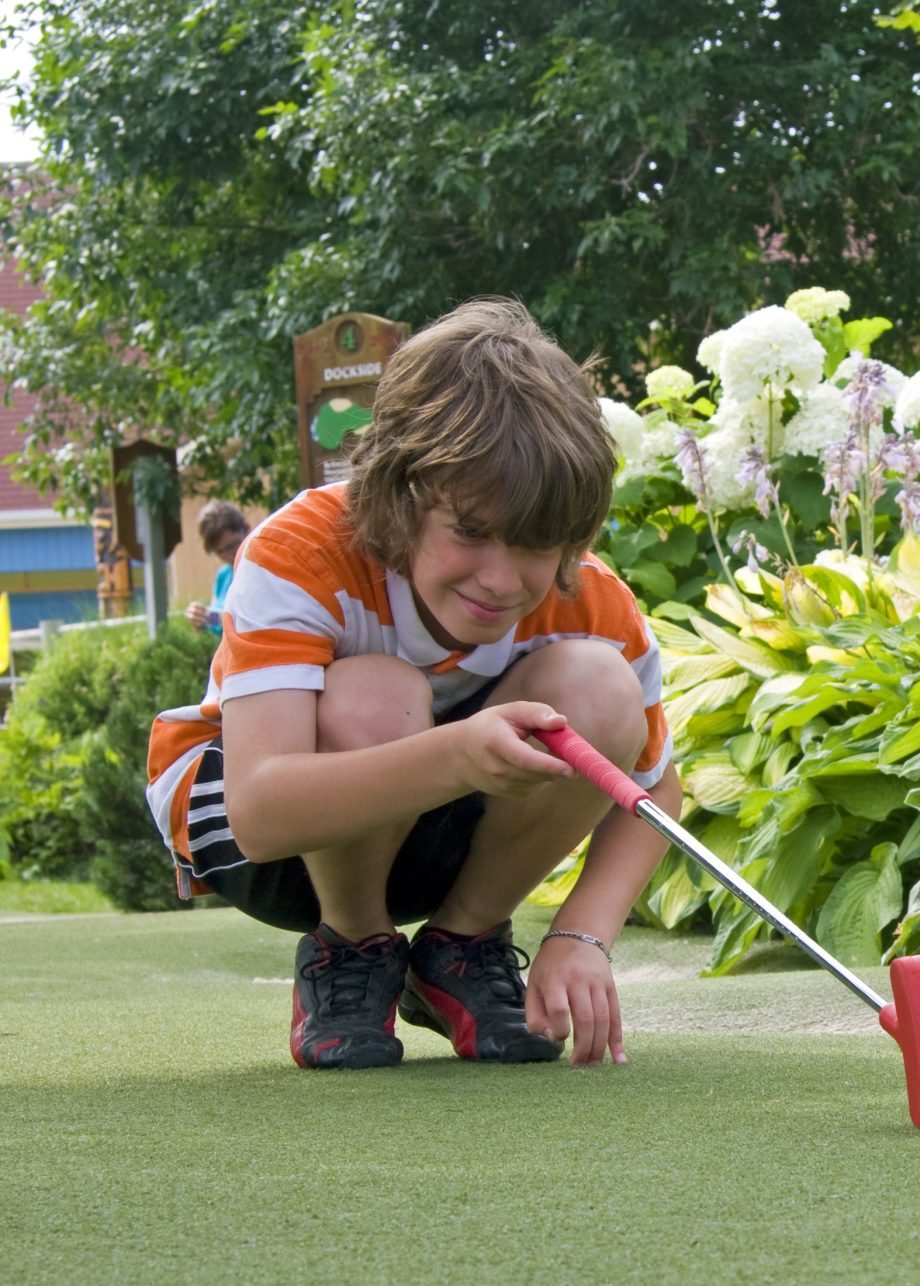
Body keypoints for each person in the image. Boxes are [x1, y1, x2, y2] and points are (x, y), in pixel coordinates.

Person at [145, 298, 680, 1070]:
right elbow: (258, 814)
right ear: (402, 492)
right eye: (471, 530)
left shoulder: (592, 602)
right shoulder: (303, 551)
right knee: (376, 694)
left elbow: (654, 789)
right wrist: (458, 755)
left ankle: (460, 947)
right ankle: (351, 946)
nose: (502, 580)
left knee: (599, 684)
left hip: (436, 826)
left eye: (537, 543)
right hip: (259, 837)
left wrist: (582, 933)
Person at [184, 499, 250, 633]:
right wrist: (200, 617)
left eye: (233, 545)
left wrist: (210, 617)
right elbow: (218, 622)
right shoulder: (223, 576)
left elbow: (247, 622)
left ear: (246, 530)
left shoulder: (259, 571)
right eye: (220, 551)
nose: (229, 555)